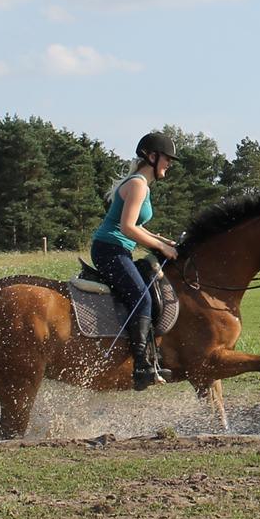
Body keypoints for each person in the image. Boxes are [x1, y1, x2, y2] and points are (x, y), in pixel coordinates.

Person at [90, 132, 180, 390]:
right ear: (151, 157)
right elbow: (128, 228)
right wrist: (160, 245)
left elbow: (137, 226)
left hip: (118, 248)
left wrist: (161, 239)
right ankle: (141, 365)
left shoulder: (142, 185)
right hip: (110, 249)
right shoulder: (139, 184)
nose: (169, 164)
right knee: (143, 298)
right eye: (167, 159)